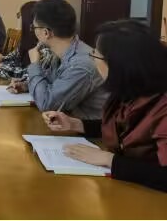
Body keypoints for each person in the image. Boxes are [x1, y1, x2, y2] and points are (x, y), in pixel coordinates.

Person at [43, 20, 167, 192]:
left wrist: (109, 160)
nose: (92, 59)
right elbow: (122, 129)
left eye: (95, 55)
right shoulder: (129, 90)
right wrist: (76, 124)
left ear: (119, 65)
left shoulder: (162, 105)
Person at [11, 0, 107, 119]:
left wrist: (35, 64)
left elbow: (47, 104)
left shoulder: (81, 65)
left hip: (87, 129)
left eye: (34, 28)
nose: (33, 31)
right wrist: (27, 85)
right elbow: (55, 85)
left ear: (46, 33)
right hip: (65, 123)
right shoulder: (65, 51)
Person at [0, 1, 55, 80]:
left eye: (20, 15)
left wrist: (3, 68)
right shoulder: (26, 40)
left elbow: (29, 75)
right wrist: (2, 62)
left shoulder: (44, 47)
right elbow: (11, 58)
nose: (18, 19)